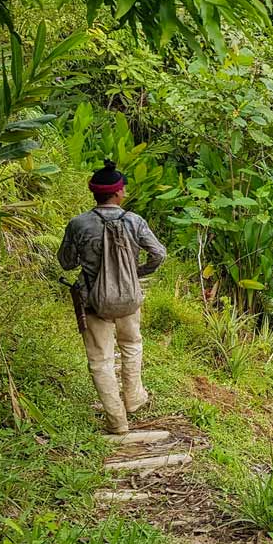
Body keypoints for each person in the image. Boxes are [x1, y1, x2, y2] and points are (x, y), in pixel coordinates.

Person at [59, 160, 167, 434]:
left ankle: (117, 421)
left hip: (93, 300)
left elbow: (67, 262)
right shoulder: (134, 221)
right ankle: (134, 398)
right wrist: (136, 272)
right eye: (124, 189)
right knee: (131, 345)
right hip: (129, 298)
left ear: (95, 193)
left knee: (101, 359)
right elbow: (159, 254)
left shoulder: (79, 224)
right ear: (118, 193)